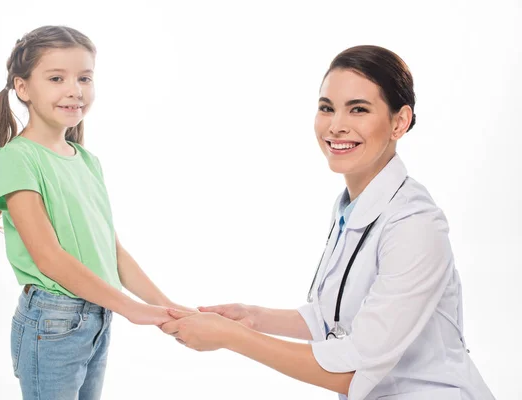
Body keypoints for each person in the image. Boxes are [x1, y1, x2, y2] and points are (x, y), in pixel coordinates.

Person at [161, 45, 495, 400]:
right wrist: (253, 317)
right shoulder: (353, 208)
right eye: (326, 108)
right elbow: (334, 318)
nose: (336, 126)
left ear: (400, 122)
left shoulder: (415, 225)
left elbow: (353, 371)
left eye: (358, 109)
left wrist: (232, 338)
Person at [0, 25, 190, 399]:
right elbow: (49, 259)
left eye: (84, 78)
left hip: (96, 316)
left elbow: (114, 253)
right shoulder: (15, 159)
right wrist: (130, 308)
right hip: (54, 320)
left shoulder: (87, 161)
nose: (75, 90)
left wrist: (166, 306)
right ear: (23, 88)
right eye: (57, 78)